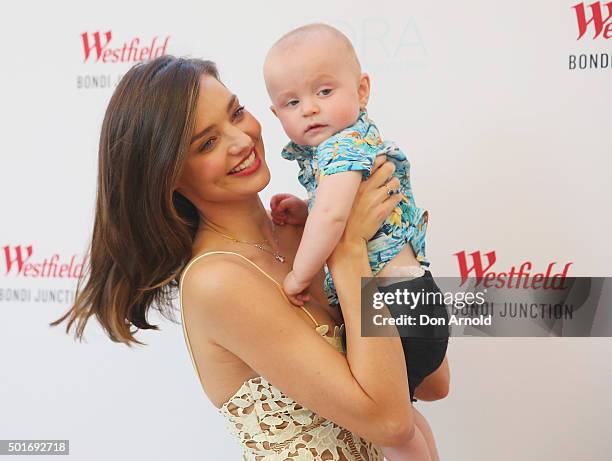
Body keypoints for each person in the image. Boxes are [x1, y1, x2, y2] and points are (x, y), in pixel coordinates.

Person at [50, 55, 449, 460]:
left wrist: (389, 247)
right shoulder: (217, 281)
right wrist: (349, 250)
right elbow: (392, 422)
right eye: (207, 143)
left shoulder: (304, 231)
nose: (241, 140)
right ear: (168, 176)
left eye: (236, 113)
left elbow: (433, 382)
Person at [264, 24, 449, 460]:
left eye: (324, 92)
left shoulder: (340, 149)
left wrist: (298, 275)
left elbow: (335, 218)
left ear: (361, 90)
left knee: (392, 431)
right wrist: (307, 211)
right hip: (413, 294)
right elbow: (338, 214)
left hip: (394, 306)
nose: (309, 109)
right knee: (402, 417)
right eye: (293, 102)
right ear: (276, 114)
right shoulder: (358, 140)